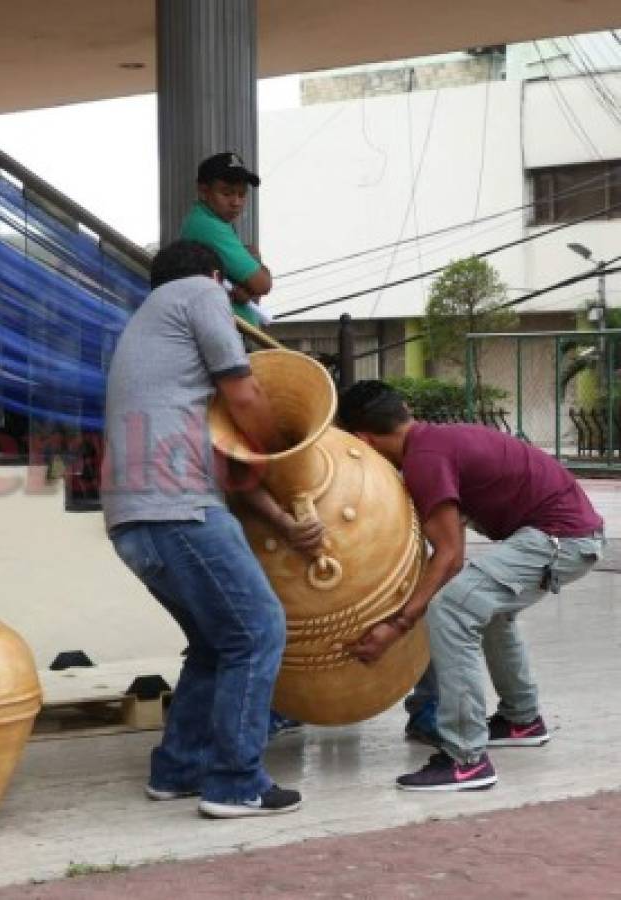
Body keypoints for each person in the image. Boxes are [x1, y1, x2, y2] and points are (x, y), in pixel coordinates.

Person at [101, 239, 323, 818]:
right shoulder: (200, 293)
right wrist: (281, 456)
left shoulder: (149, 329)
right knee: (259, 629)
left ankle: (178, 771)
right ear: (219, 277)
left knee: (214, 643)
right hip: (178, 509)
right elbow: (245, 392)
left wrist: (273, 509)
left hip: (135, 520)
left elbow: (223, 463)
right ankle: (235, 783)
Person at [337, 381, 604, 792]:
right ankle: (521, 719)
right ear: (404, 409)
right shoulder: (435, 442)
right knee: (482, 604)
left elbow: (448, 557)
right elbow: (449, 549)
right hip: (567, 535)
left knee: (452, 608)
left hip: (560, 539)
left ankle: (465, 760)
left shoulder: (424, 459)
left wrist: (397, 624)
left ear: (362, 440)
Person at [180, 152, 273, 330]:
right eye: (227, 193)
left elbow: (254, 288)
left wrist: (249, 289)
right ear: (204, 191)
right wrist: (257, 261)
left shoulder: (208, 221)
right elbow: (263, 283)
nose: (236, 202)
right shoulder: (209, 226)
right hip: (229, 334)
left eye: (241, 194)